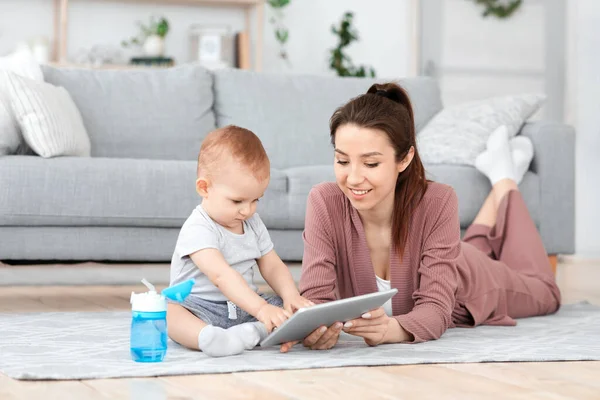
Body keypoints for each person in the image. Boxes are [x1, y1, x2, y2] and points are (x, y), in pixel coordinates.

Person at [280, 83, 560, 353]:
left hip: (471, 280)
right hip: (450, 253)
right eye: (342, 161)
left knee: (546, 293)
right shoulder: (324, 201)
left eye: (371, 163)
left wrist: (389, 330)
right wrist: (316, 331)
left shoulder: (438, 200)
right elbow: (316, 300)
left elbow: (436, 310)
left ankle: (505, 179)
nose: (352, 177)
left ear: (404, 159)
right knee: (471, 245)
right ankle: (500, 181)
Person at [167, 125, 313, 357]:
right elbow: (221, 275)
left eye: (255, 200)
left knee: (293, 311)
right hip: (199, 307)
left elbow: (272, 264)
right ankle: (209, 338)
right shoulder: (198, 227)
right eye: (237, 201)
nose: (247, 210)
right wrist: (260, 308)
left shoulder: (253, 223)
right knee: (171, 314)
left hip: (243, 308)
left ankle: (253, 331)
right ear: (204, 188)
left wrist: (290, 297)